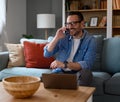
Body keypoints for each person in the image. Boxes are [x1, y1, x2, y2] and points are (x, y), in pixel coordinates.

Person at [44, 11, 96, 86]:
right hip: (61, 72)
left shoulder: (90, 40)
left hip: (78, 73)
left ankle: (79, 97)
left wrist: (64, 65)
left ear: (82, 24)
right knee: (42, 80)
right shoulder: (63, 37)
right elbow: (47, 54)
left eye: (73, 23)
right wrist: (56, 37)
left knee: (86, 74)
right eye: (68, 24)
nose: (70, 27)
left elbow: (87, 64)